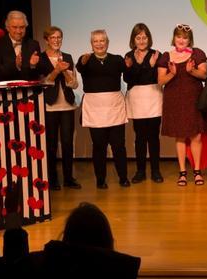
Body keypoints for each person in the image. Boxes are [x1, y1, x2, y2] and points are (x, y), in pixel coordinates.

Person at [157, 24, 207, 186]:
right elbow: (160, 81)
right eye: (178, 37)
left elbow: (204, 74)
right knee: (180, 136)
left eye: (185, 38)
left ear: (189, 40)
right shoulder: (166, 56)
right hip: (175, 100)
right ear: (174, 38)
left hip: (193, 100)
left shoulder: (197, 53)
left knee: (196, 136)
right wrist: (172, 73)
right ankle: (182, 172)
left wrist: (191, 71)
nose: (181, 40)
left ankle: (197, 171)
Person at [78, 30, 129, 189]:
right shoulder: (85, 59)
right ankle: (100, 179)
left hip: (114, 106)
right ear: (91, 44)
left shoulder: (117, 59)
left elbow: (128, 75)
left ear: (107, 43)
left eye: (102, 41)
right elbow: (80, 67)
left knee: (118, 145)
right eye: (96, 41)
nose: (99, 44)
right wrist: (83, 62)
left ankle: (123, 177)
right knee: (99, 145)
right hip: (95, 107)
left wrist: (129, 67)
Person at [40, 26, 81, 190]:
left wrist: (65, 73)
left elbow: (74, 84)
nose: (56, 40)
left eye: (59, 37)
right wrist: (56, 70)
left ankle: (69, 178)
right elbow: (44, 83)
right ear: (47, 40)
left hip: (67, 107)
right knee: (51, 145)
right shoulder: (41, 58)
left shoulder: (68, 57)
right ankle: (53, 179)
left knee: (67, 143)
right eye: (53, 37)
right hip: (50, 107)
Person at [123, 23, 163, 184]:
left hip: (153, 97)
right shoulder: (128, 55)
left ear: (149, 38)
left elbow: (153, 78)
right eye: (138, 37)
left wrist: (151, 66)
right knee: (139, 136)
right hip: (136, 99)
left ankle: (155, 170)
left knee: (153, 136)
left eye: (144, 37)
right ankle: (140, 171)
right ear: (133, 39)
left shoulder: (156, 54)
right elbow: (129, 79)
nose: (141, 40)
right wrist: (147, 66)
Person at [0, 10, 49, 81]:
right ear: (7, 28)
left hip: (29, 90)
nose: (18, 31)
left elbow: (37, 75)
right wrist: (15, 65)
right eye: (15, 27)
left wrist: (33, 65)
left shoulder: (33, 44)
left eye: (22, 27)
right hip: (6, 90)